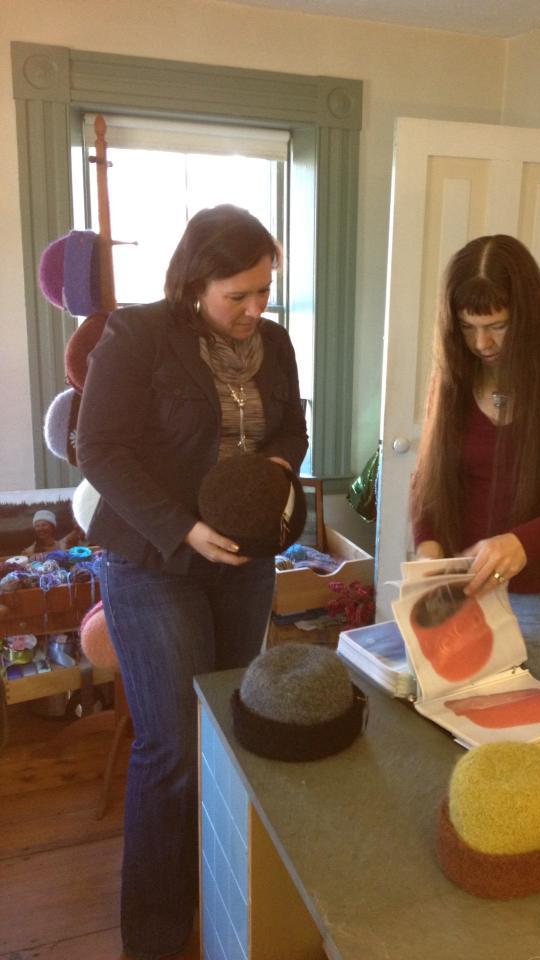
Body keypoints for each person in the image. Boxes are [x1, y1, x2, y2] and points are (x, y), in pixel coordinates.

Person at [76, 205, 308, 960]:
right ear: (194, 282)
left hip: (244, 560)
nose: (254, 309)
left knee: (230, 728)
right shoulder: (138, 335)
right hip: (153, 561)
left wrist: (269, 475)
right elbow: (97, 448)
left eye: (264, 290)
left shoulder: (276, 344)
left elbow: (292, 428)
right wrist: (183, 527)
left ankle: (227, 894)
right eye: (237, 295)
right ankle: (154, 935)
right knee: (173, 747)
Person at [412, 234, 540, 689]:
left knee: (534, 721)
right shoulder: (452, 376)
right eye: (467, 327)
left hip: (536, 599)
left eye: (498, 325)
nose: (482, 343)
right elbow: (429, 476)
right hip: (458, 590)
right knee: (448, 716)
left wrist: (522, 543)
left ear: (528, 316)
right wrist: (427, 545)